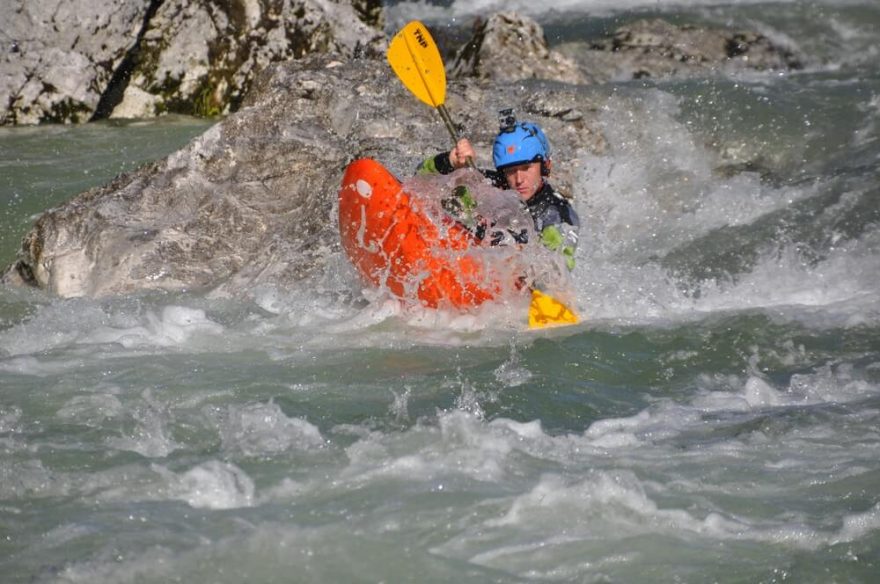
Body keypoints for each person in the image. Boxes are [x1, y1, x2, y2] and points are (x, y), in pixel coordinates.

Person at [418, 113, 580, 270]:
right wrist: (449, 162)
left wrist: (523, 263)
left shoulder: (558, 215)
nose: (519, 179)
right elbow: (420, 181)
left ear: (546, 166)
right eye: (510, 170)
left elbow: (559, 271)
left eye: (526, 168)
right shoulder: (485, 186)